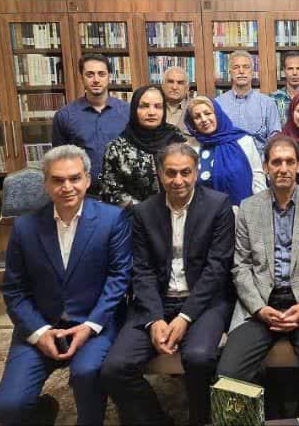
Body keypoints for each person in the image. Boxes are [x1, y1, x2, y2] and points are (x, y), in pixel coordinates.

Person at [0, 145, 131, 426]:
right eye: (58, 180)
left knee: (86, 374)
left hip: (93, 325)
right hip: (42, 325)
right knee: (6, 409)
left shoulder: (112, 219)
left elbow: (119, 279)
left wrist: (90, 326)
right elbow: (15, 291)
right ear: (46, 183)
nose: (67, 187)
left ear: (87, 180)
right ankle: (44, 410)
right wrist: (39, 332)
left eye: (75, 178)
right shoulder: (25, 227)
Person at [101, 144, 234, 426]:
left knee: (199, 357)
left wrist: (185, 317)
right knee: (114, 368)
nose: (178, 180)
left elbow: (217, 269)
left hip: (203, 302)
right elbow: (142, 270)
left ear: (196, 172)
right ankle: (157, 420)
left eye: (185, 172)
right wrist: (154, 319)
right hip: (156, 302)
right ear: (160, 174)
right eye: (171, 173)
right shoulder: (143, 212)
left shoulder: (218, 205)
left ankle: (200, 420)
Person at [217, 135, 299, 417]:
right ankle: (269, 416)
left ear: (298, 166)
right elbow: (240, 267)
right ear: (266, 167)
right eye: (276, 162)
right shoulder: (249, 207)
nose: (283, 168)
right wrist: (260, 309)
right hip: (261, 303)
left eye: (289, 162)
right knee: (229, 373)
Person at [51, 54, 130, 191]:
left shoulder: (128, 112)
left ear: (109, 76)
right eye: (90, 74)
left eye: (101, 74)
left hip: (123, 192)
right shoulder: (65, 116)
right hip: (82, 193)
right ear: (81, 78)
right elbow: (60, 161)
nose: (96, 80)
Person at [99, 85, 185, 207]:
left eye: (158, 106)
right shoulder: (117, 147)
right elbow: (110, 191)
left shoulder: (176, 137)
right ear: (134, 109)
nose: (151, 112)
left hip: (179, 212)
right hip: (136, 215)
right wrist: (144, 210)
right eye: (144, 106)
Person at [184, 96, 266, 206]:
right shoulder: (190, 147)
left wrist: (260, 207)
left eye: (208, 113)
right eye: (197, 117)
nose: (203, 119)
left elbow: (258, 176)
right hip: (204, 213)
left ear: (217, 114)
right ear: (192, 122)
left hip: (242, 211)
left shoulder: (243, 140)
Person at [215, 50, 282, 154]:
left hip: (260, 161)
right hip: (228, 160)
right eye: (236, 67)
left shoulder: (267, 103)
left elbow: (275, 137)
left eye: (246, 67)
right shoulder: (217, 104)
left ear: (252, 72)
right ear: (230, 72)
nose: (241, 71)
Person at [161, 66, 196, 145]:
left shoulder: (195, 108)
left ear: (187, 88)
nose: (174, 87)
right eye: (170, 82)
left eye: (180, 83)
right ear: (163, 85)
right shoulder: (153, 107)